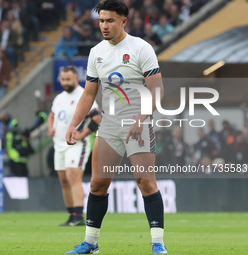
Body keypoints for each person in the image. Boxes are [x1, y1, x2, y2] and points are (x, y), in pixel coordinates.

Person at [64, 1, 167, 254]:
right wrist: (73, 124)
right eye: (101, 21)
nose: (104, 26)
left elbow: (157, 90)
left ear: (123, 21)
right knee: (98, 184)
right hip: (109, 125)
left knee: (145, 181)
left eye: (110, 20)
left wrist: (141, 119)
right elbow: (89, 94)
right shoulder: (96, 52)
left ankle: (158, 244)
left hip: (137, 123)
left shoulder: (141, 48)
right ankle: (90, 243)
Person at [48, 66, 99, 227]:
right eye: (62, 79)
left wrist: (82, 135)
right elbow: (52, 115)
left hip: (77, 145)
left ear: (76, 79)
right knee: (64, 180)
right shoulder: (59, 98)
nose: (65, 82)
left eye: (68, 79)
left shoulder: (83, 95)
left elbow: (97, 118)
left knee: (73, 177)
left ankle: (79, 215)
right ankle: (71, 216)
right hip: (59, 144)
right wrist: (51, 128)